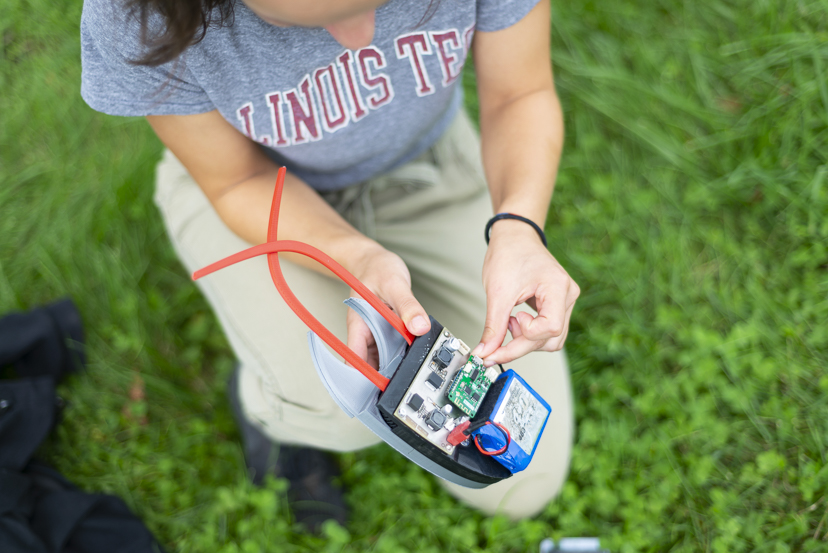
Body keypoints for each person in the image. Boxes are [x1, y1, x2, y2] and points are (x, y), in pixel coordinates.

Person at [80, 0, 580, 530]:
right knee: (341, 410)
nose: (361, 36)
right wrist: (356, 256)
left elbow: (520, 94)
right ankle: (272, 407)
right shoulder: (139, 15)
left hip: (424, 166)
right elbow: (234, 180)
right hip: (255, 185)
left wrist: (518, 226)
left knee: (521, 486)